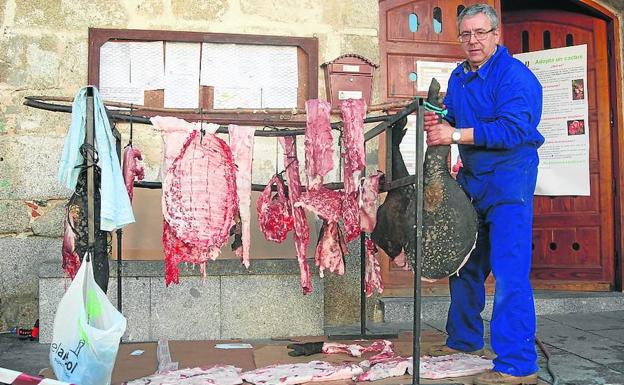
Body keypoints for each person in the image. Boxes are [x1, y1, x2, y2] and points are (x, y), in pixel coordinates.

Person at [423, 4, 544, 385]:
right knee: (466, 265)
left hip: (510, 182)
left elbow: (513, 129)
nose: (473, 41)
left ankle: (517, 364)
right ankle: (464, 341)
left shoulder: (515, 77)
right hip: (474, 181)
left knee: (510, 272)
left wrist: (454, 135)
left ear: (496, 35)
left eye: (480, 33)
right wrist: (439, 116)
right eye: (466, 35)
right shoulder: (460, 76)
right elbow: (456, 115)